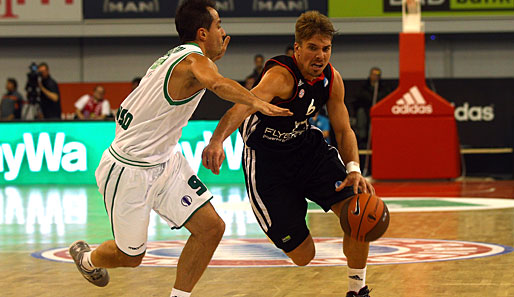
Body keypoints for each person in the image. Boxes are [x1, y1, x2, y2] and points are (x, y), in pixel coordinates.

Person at [68, 1, 291, 297]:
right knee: (131, 257)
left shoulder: (181, 57)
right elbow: (218, 84)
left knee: (211, 228)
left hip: (164, 162)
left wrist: (213, 61)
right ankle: (87, 259)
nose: (223, 32)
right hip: (129, 168)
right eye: (218, 25)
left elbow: (207, 76)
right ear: (202, 33)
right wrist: (256, 102)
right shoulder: (194, 62)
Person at [202, 11, 375, 297]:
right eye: (312, 48)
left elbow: (344, 131)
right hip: (269, 165)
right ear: (297, 48)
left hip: (307, 152)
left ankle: (358, 290)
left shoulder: (332, 79)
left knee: (359, 212)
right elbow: (243, 107)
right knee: (304, 255)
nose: (320, 56)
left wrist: (354, 168)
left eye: (326, 48)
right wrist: (217, 140)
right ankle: (291, 214)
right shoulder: (280, 77)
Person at [352, 67, 391, 148]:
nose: (375, 77)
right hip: (366, 111)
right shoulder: (363, 87)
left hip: (379, 112)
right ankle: (362, 138)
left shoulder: (384, 88)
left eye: (377, 75)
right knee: (361, 114)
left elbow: (386, 99)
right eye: (373, 75)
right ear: (370, 75)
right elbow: (358, 99)